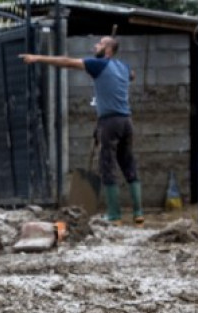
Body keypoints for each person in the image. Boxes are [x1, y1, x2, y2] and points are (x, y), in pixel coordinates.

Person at [21, 36, 144, 225]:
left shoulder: (98, 65)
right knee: (128, 163)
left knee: (107, 165)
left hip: (110, 122)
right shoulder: (124, 67)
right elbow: (132, 75)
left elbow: (67, 62)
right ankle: (138, 213)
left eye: (100, 43)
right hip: (127, 121)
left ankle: (115, 215)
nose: (95, 45)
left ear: (108, 49)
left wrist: (38, 58)